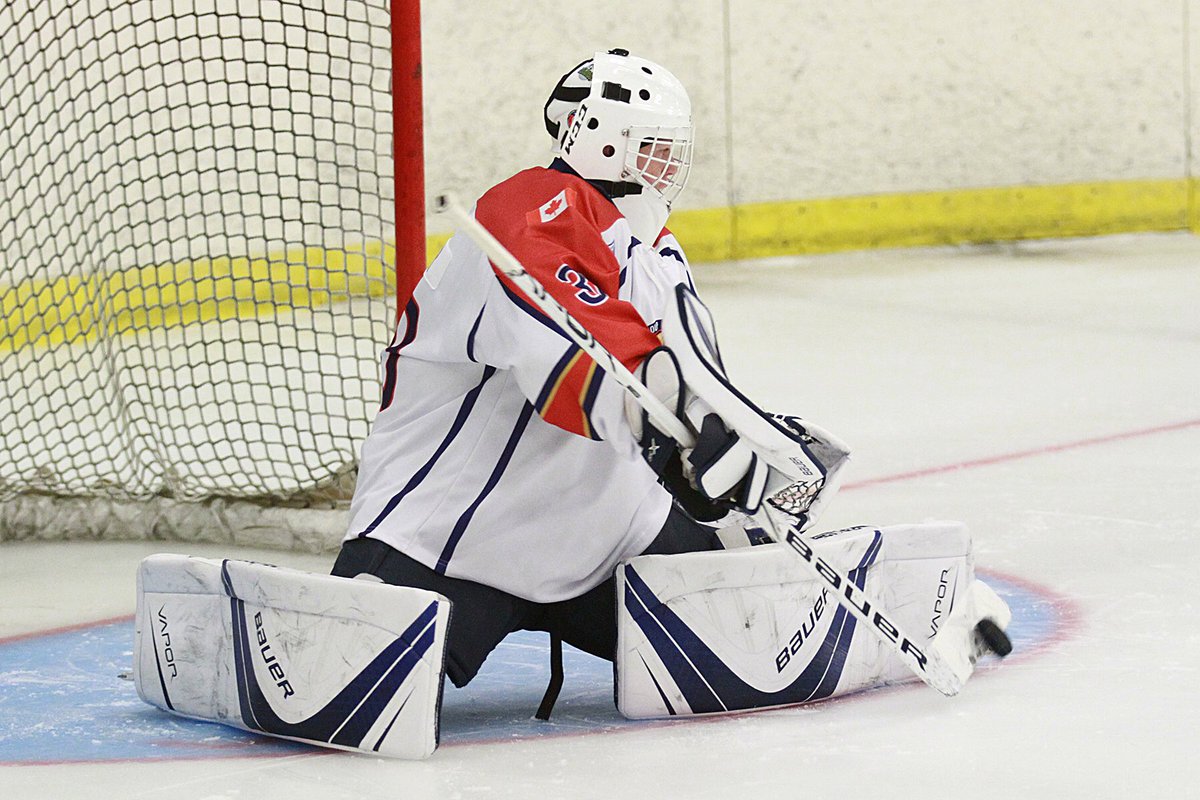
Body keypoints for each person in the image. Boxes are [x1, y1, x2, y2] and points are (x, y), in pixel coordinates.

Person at [330, 49, 767, 690]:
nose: (669, 168)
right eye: (653, 148)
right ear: (601, 141)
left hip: (610, 541)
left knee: (750, 643)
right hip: (457, 538)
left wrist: (720, 447)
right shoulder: (529, 209)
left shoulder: (659, 256)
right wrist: (657, 415)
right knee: (358, 681)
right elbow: (568, 346)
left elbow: (692, 386)